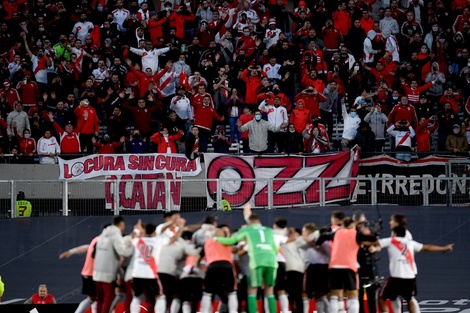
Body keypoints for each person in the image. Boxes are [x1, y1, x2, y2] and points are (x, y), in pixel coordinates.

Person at [370, 226, 454, 313]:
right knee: (403, 297)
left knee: (384, 296)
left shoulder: (396, 239)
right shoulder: (408, 240)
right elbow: (425, 247)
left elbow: (381, 244)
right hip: (410, 274)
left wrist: (375, 247)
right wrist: (445, 248)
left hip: (401, 272)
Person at [215, 204, 278, 313]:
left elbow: (231, 241)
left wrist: (216, 238)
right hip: (272, 262)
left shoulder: (247, 230)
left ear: (248, 222)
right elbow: (275, 250)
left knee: (252, 290)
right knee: (269, 291)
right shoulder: (268, 230)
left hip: (257, 262)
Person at [93, 216, 139, 313]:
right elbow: (123, 251)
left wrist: (130, 237)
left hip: (97, 272)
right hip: (107, 272)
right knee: (108, 298)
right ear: (121, 225)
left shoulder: (103, 235)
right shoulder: (115, 235)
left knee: (100, 298)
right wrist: (131, 246)